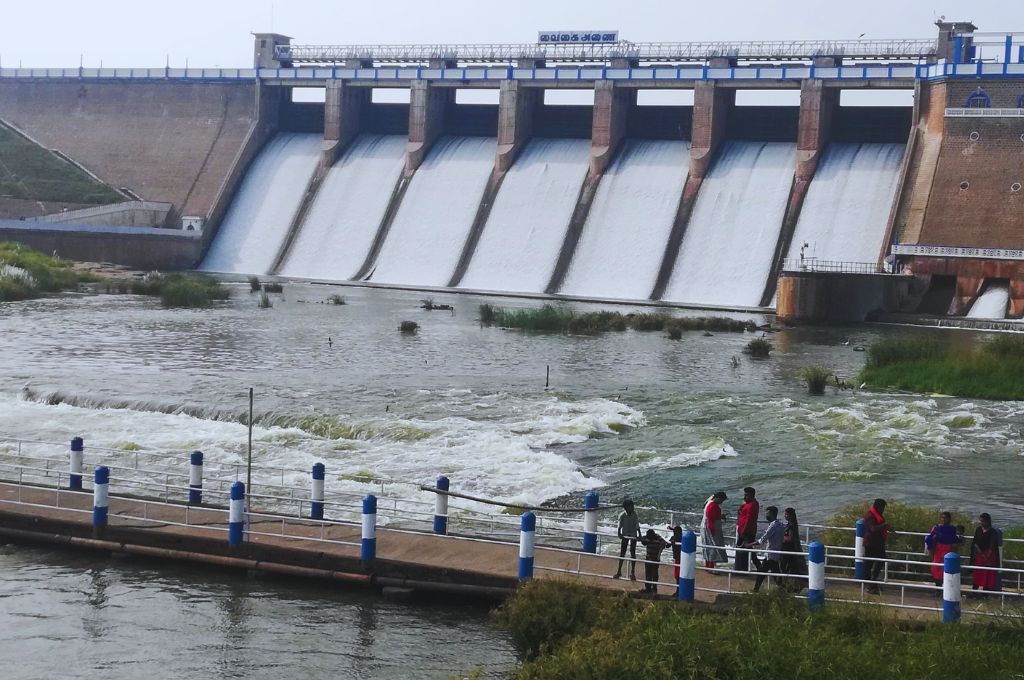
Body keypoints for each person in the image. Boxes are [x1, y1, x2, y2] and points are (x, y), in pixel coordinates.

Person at [747, 506, 784, 592]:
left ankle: (756, 590)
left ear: (771, 513)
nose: (766, 515)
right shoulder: (780, 524)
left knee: (763, 572)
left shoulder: (773, 526)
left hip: (770, 553)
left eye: (767, 513)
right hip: (775, 553)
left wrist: (749, 545)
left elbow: (762, 539)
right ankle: (783, 590)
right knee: (774, 573)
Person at [924, 511, 961, 587]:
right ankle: (938, 587)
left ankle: (945, 588)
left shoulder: (952, 529)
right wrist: (932, 545)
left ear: (949, 519)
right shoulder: (936, 528)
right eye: (942, 518)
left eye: (946, 518)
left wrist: (960, 539)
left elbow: (954, 539)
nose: (944, 519)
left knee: (946, 569)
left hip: (948, 551)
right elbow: (929, 538)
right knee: (936, 569)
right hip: (938, 550)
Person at [969, 513, 1002, 592]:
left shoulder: (993, 532)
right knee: (977, 574)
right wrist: (975, 553)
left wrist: (986, 557)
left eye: (983, 521)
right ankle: (974, 591)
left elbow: (992, 546)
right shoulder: (978, 530)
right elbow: (974, 542)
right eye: (980, 521)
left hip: (989, 556)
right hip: (979, 556)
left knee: (987, 575)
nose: (981, 523)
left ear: (988, 521)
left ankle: (985, 593)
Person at [863, 498, 890, 593]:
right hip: (871, 543)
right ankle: (870, 585)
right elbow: (872, 529)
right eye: (882, 508)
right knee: (869, 564)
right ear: (878, 507)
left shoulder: (877, 514)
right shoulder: (870, 515)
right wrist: (884, 525)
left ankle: (873, 582)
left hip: (878, 543)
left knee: (881, 561)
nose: (883, 510)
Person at [613, 499, 641, 580]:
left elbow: (637, 525)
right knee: (622, 553)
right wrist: (619, 534)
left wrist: (639, 535)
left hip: (633, 535)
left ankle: (633, 572)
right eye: (631, 506)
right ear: (626, 507)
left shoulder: (634, 514)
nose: (633, 508)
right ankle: (619, 571)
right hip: (625, 535)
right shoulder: (622, 515)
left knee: (633, 553)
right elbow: (619, 526)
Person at [780, 507, 807, 592]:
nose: (785, 516)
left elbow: (790, 539)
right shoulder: (791, 524)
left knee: (790, 569)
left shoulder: (791, 526)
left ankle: (791, 587)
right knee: (790, 569)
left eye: (786, 514)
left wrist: (781, 537)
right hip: (788, 550)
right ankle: (791, 586)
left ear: (790, 515)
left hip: (789, 551)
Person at [701, 491, 729, 568]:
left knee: (708, 547)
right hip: (710, 527)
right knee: (713, 547)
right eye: (721, 500)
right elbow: (710, 519)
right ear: (718, 498)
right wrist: (712, 530)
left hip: (706, 526)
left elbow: (712, 515)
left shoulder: (709, 502)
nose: (721, 502)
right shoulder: (712, 506)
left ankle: (708, 565)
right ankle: (711, 567)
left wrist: (720, 516)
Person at [639, 528, 671, 594]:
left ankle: (654, 589)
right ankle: (648, 588)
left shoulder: (658, 537)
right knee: (648, 574)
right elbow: (643, 541)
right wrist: (642, 538)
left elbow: (664, 543)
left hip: (655, 558)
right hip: (648, 558)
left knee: (654, 574)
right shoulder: (647, 537)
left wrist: (660, 551)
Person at [735, 487, 759, 573]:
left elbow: (749, 520)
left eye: (747, 495)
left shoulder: (752, 505)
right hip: (744, 530)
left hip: (747, 531)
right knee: (748, 549)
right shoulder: (750, 504)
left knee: (746, 549)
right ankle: (757, 566)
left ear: (752, 495)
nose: (745, 497)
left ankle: (756, 566)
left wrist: (743, 532)